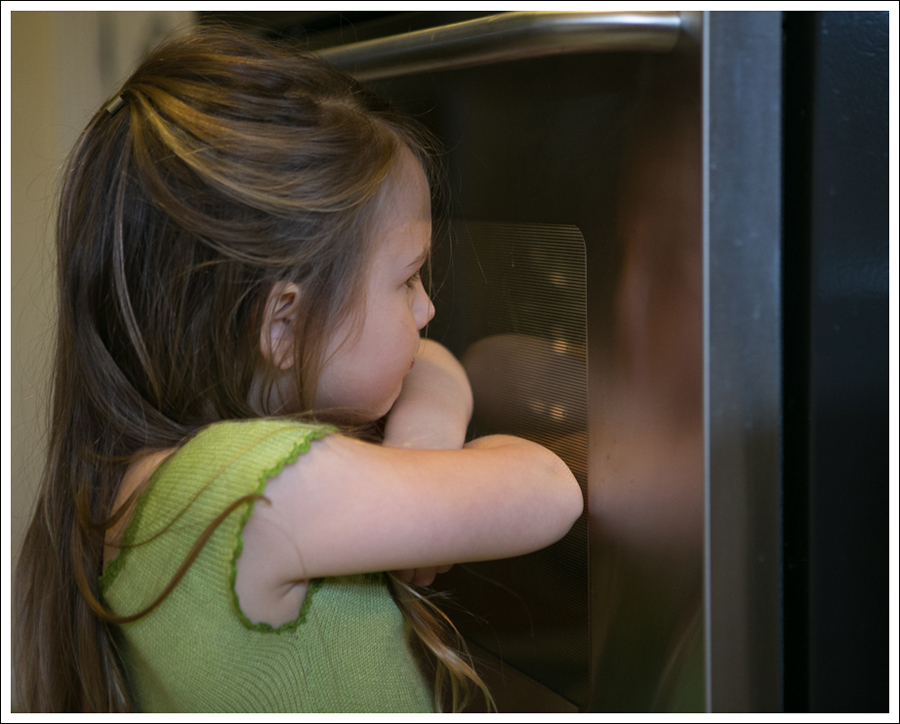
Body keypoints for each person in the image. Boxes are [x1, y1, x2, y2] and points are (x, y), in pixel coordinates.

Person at [13, 27, 583, 713]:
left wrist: (421, 448)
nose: (427, 308)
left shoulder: (166, 480)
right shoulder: (252, 491)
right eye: (406, 279)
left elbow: (433, 363)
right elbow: (548, 488)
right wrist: (423, 456)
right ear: (283, 325)